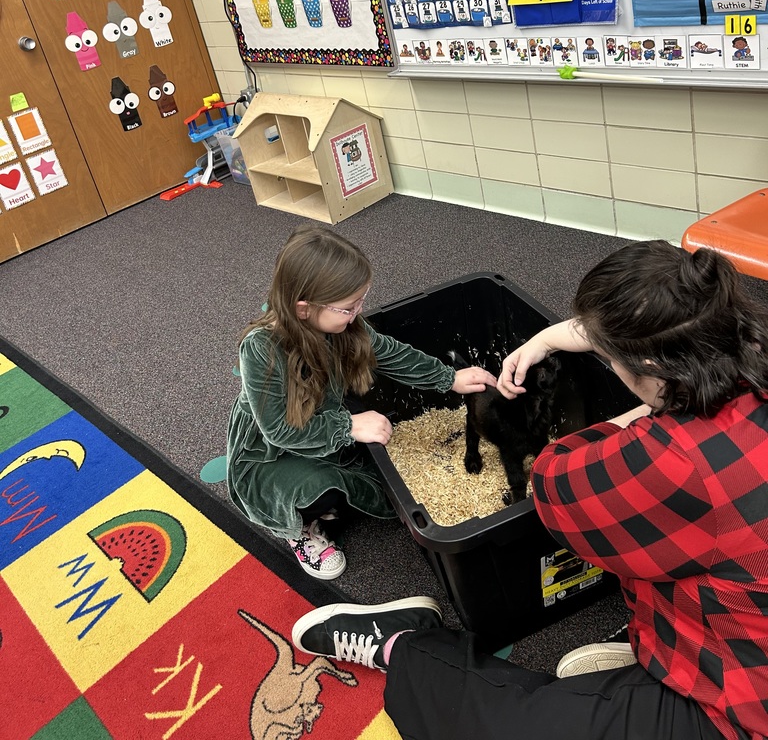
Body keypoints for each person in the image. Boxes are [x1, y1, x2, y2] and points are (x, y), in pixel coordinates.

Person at [291, 240, 768, 740]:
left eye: (607, 353)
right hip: (740, 630)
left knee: (495, 725)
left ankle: (405, 646)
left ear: (648, 370)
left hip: (739, 703)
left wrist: (638, 415)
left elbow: (552, 479)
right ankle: (650, 654)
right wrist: (564, 336)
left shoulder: (669, 461)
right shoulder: (747, 355)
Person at [227, 225, 495, 581]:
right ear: (304, 309)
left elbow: (391, 354)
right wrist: (348, 425)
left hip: (322, 432)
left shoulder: (343, 327)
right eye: (348, 307)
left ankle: (333, 488)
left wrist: (449, 378)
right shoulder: (261, 349)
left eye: (360, 302)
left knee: (389, 490)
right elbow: (279, 430)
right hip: (271, 454)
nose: (358, 312)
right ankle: (299, 529)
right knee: (318, 491)